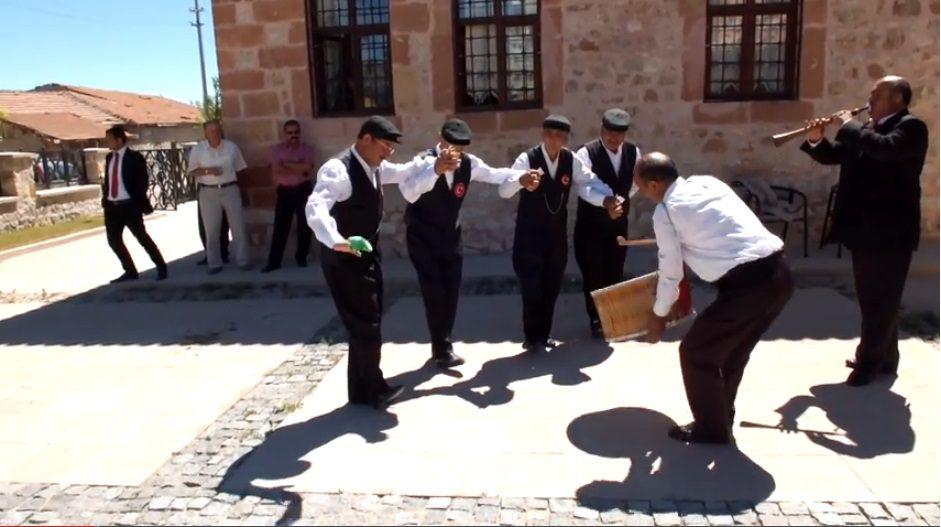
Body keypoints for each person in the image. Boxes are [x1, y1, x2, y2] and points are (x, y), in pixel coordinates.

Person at [637, 153, 794, 445]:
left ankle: (711, 430)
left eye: (644, 189)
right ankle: (721, 417)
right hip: (780, 273)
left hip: (748, 285)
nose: (646, 196)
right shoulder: (708, 183)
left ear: (655, 185)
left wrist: (658, 316)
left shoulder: (666, 212)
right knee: (731, 352)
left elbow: (670, 272)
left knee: (695, 353)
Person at [305, 116, 458, 408]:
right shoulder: (339, 170)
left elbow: (405, 171)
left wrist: (437, 162)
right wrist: (336, 239)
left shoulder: (376, 168)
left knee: (363, 324)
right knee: (368, 324)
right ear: (365, 139)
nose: (389, 152)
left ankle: (359, 391)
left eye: (390, 147)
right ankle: (375, 389)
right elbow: (316, 207)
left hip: (366, 256)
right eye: (385, 145)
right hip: (344, 259)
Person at [800, 75, 928, 387]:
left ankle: (868, 364)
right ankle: (886, 358)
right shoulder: (866, 131)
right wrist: (817, 139)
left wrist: (849, 125)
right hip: (863, 230)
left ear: (896, 99)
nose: (869, 100)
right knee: (877, 298)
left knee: (879, 300)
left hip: (890, 232)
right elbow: (836, 156)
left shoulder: (910, 128)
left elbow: (886, 150)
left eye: (876, 95)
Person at [399, 118, 536, 368]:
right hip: (422, 238)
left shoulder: (469, 164)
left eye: (459, 150)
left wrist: (520, 178)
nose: (454, 155)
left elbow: (495, 175)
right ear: (440, 141)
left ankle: (444, 343)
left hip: (451, 237)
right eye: (450, 148)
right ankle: (441, 348)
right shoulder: (422, 162)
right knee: (434, 292)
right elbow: (408, 193)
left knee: (451, 291)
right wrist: (436, 170)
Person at [499, 115, 621, 354]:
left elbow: (589, 182)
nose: (554, 140)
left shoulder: (570, 160)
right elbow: (504, 190)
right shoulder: (528, 158)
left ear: (566, 139)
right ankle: (532, 336)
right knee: (531, 287)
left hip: (556, 236)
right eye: (550, 134)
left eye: (560, 136)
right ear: (543, 135)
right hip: (529, 236)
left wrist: (608, 199)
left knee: (552, 285)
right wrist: (521, 181)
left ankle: (544, 335)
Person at [574, 108, 640, 337]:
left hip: (618, 225)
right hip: (590, 226)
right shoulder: (586, 153)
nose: (614, 139)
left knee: (614, 270)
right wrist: (606, 202)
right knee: (593, 273)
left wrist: (620, 201)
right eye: (610, 133)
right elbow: (583, 187)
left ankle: (612, 316)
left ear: (625, 135)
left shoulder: (633, 152)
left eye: (619, 135)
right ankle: (596, 320)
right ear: (602, 129)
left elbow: (636, 182)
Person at [101, 125, 168, 283]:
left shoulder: (134, 158)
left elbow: (142, 183)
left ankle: (161, 266)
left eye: (109, 140)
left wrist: (137, 202)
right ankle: (130, 270)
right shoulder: (109, 158)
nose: (107, 143)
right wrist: (106, 198)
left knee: (141, 237)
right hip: (112, 206)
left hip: (129, 206)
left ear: (119, 140)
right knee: (113, 241)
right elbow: (108, 181)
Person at [187, 120, 251, 274]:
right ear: (205, 134)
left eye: (217, 130)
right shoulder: (198, 150)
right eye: (211, 131)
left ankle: (243, 261)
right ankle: (214, 263)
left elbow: (241, 169)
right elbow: (191, 172)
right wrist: (208, 171)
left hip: (230, 189)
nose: (215, 134)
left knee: (238, 227)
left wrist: (244, 192)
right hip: (208, 192)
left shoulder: (231, 147)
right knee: (212, 230)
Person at [262, 120, 316, 273]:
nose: (294, 135)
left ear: (300, 133)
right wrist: (297, 167)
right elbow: (277, 170)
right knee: (280, 226)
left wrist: (287, 164)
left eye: (296, 132)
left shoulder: (308, 150)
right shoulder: (276, 150)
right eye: (290, 132)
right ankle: (274, 262)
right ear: (285, 134)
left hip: (303, 189)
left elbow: (307, 169)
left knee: (304, 225)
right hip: (284, 191)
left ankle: (302, 258)